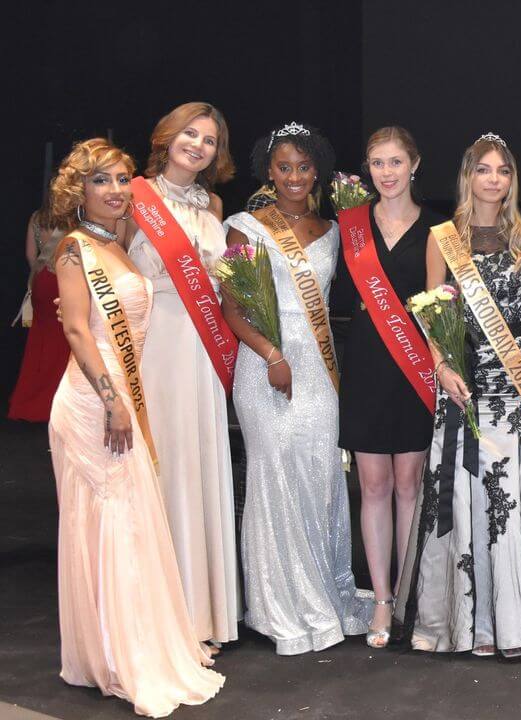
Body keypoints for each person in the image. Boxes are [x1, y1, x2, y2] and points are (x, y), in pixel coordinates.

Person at [49, 138, 224, 717]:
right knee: (113, 525)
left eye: (123, 179)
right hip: (94, 401)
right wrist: (110, 402)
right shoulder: (76, 250)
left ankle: (119, 645)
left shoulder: (115, 243)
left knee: (128, 522)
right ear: (80, 190)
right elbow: (76, 331)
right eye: (102, 181)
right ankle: (120, 655)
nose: (117, 191)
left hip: (123, 394)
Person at [397, 133, 521, 660]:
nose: (493, 179)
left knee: (516, 497)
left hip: (514, 382)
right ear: (467, 176)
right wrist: (442, 365)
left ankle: (519, 621)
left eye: (502, 171)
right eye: (484, 170)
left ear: (511, 179)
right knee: (467, 496)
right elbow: (432, 310)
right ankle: (473, 624)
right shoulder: (442, 236)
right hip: (465, 378)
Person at [221, 123, 372, 654]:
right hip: (267, 366)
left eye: (303, 168)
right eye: (283, 167)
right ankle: (279, 603)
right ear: (269, 171)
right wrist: (272, 354)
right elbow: (232, 309)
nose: (293, 177)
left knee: (319, 476)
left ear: (317, 173)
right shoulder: (244, 227)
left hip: (318, 368)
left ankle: (322, 593)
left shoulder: (333, 229)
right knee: (277, 475)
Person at [126, 102, 239, 649]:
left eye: (210, 139)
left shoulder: (212, 204)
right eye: (189, 134)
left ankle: (199, 617)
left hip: (202, 348)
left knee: (196, 469)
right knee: (161, 469)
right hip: (153, 347)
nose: (198, 145)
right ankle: (156, 621)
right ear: (166, 136)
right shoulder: (133, 196)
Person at [331, 126, 446, 647]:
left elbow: (437, 305)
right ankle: (380, 598)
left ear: (414, 164)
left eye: (396, 162)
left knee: (409, 486)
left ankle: (405, 593)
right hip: (366, 365)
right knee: (373, 486)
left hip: (414, 366)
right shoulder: (349, 227)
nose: (387, 172)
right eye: (377, 163)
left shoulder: (437, 230)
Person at [8, 194, 71, 421]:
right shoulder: (74, 220)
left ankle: (27, 401)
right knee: (62, 344)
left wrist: (40, 273)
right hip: (64, 280)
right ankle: (53, 403)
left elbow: (30, 255)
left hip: (41, 282)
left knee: (39, 341)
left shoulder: (36, 218)